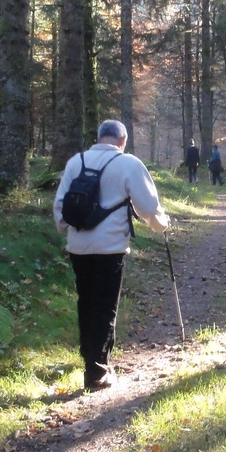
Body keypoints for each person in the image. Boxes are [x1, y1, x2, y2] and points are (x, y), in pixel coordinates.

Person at [53, 120, 170, 391]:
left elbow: (60, 203)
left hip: (78, 245)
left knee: (86, 300)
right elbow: (148, 207)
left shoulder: (76, 162)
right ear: (123, 140)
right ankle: (96, 372)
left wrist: (64, 229)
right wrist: (161, 226)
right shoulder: (129, 164)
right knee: (105, 306)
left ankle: (90, 359)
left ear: (98, 137)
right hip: (111, 248)